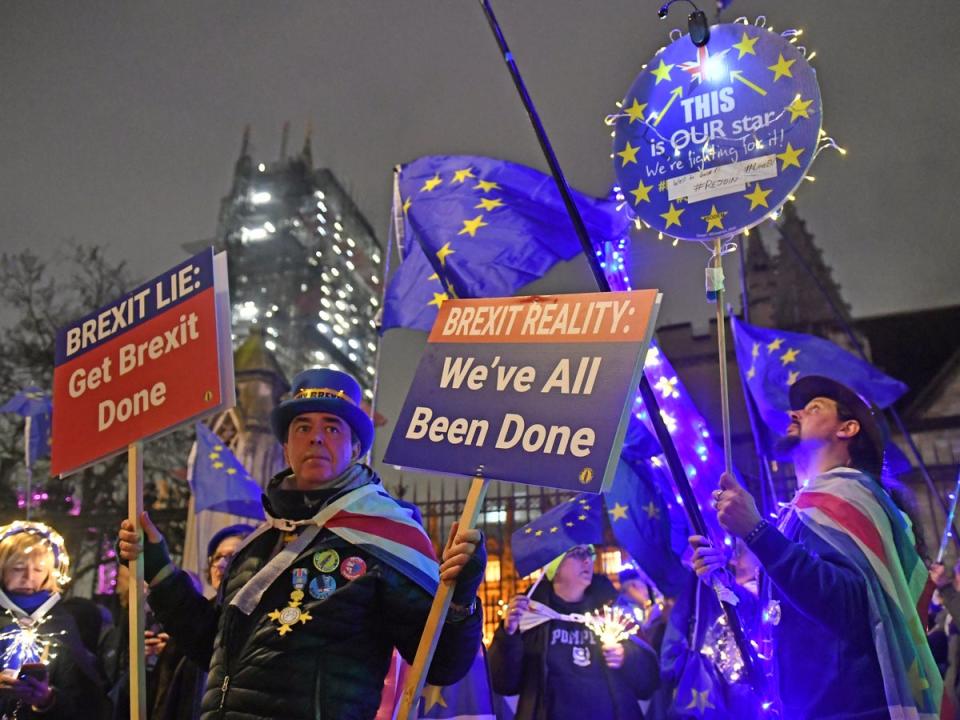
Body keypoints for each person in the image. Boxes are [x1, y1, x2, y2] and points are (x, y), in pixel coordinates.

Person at [118, 368, 485, 720]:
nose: (316, 437)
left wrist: (460, 598)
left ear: (355, 447)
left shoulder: (386, 539)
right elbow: (211, 647)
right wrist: (161, 573)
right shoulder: (255, 546)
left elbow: (441, 663)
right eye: (303, 427)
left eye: (332, 427)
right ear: (286, 447)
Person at [690, 375, 941, 719]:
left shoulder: (851, 499)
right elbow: (789, 617)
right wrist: (727, 585)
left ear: (847, 428)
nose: (794, 414)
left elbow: (850, 606)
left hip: (853, 710)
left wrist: (757, 531)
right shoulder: (803, 509)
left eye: (812, 408)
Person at [488, 544, 660, 720]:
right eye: (577, 553)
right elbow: (503, 683)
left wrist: (626, 657)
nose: (587, 560)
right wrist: (508, 635)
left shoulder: (614, 613)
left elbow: (648, 683)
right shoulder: (531, 617)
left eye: (589, 553)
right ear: (554, 566)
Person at [0, 521, 104, 719]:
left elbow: (84, 702)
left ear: (50, 573)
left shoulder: (62, 624)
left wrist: (47, 699)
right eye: (18, 568)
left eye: (38, 570)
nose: (28, 577)